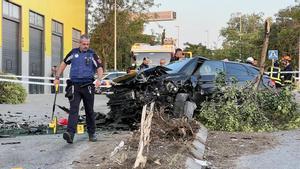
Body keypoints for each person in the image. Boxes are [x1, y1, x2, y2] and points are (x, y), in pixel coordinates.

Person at [54, 35, 103, 144]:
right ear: (79, 43)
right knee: (73, 110)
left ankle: (92, 133)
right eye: (84, 44)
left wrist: (99, 79)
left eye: (87, 44)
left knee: (89, 110)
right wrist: (57, 77)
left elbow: (100, 67)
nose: (86, 46)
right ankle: (70, 134)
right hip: (75, 86)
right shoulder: (73, 53)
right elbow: (63, 63)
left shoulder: (92, 54)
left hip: (88, 86)